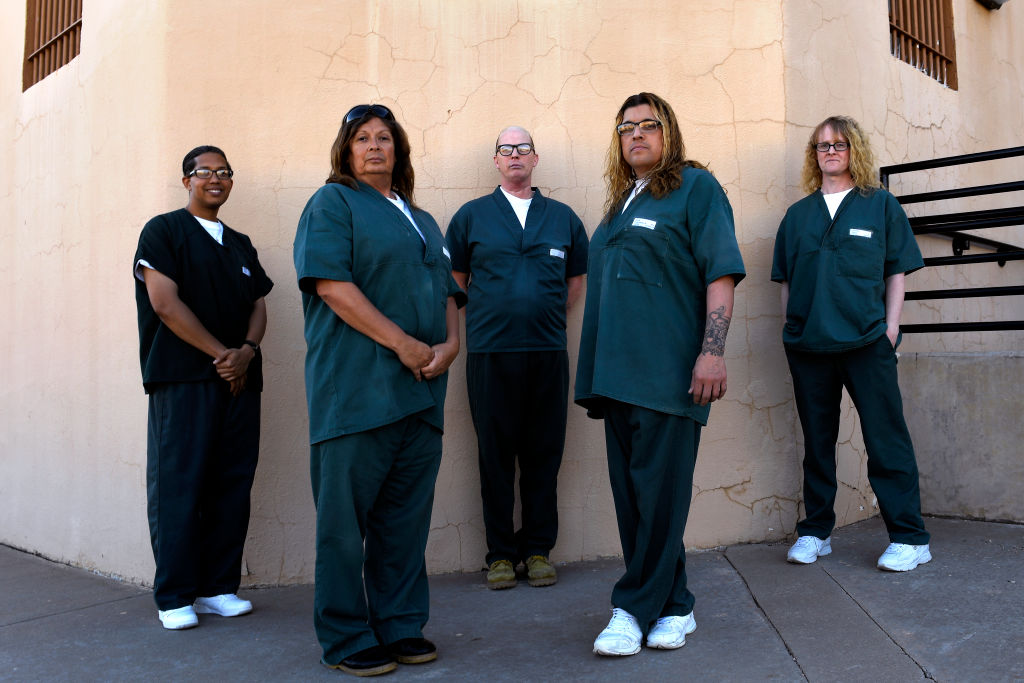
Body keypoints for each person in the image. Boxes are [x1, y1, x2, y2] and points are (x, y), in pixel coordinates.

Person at [293, 104, 466, 677]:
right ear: (345, 151)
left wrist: (450, 344)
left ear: (400, 150)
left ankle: (399, 625)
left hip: (421, 394)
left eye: (384, 138)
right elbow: (331, 285)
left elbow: (450, 293)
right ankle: (345, 637)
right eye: (361, 138)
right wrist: (403, 345)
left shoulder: (424, 220)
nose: (373, 147)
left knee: (404, 522)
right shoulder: (332, 203)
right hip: (358, 394)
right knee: (344, 527)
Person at [575, 93, 745, 656]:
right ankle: (674, 604)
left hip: (669, 376)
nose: (637, 135)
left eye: (650, 125)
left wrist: (712, 352)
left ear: (669, 133)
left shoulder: (696, 189)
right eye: (627, 128)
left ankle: (630, 608)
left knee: (660, 497)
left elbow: (720, 271)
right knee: (636, 500)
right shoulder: (622, 202)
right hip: (617, 375)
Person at [771, 115, 931, 572]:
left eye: (838, 144)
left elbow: (895, 271)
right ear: (814, 155)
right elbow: (785, 279)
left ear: (853, 149)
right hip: (809, 346)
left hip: (866, 341)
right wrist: (792, 328)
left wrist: (891, 328)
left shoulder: (878, 204)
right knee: (817, 444)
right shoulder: (798, 216)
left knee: (886, 438)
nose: (830, 152)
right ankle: (817, 532)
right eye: (822, 146)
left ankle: (910, 537)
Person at [133, 145, 272, 630]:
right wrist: (222, 355)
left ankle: (217, 589)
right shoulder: (164, 231)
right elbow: (165, 304)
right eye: (204, 171)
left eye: (224, 172)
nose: (216, 178)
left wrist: (247, 352)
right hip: (184, 379)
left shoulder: (239, 242)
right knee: (179, 485)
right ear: (187, 180)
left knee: (232, 484)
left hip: (239, 383)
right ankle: (175, 596)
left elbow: (258, 305)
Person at [446, 126, 589, 590]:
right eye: (505, 149)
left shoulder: (563, 218)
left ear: (535, 158)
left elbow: (574, 283)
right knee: (494, 456)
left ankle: (538, 550)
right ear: (496, 160)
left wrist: (540, 315)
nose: (514, 156)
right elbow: (456, 281)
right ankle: (501, 556)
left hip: (547, 353)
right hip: (490, 354)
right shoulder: (471, 217)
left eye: (522, 148)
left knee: (544, 454)